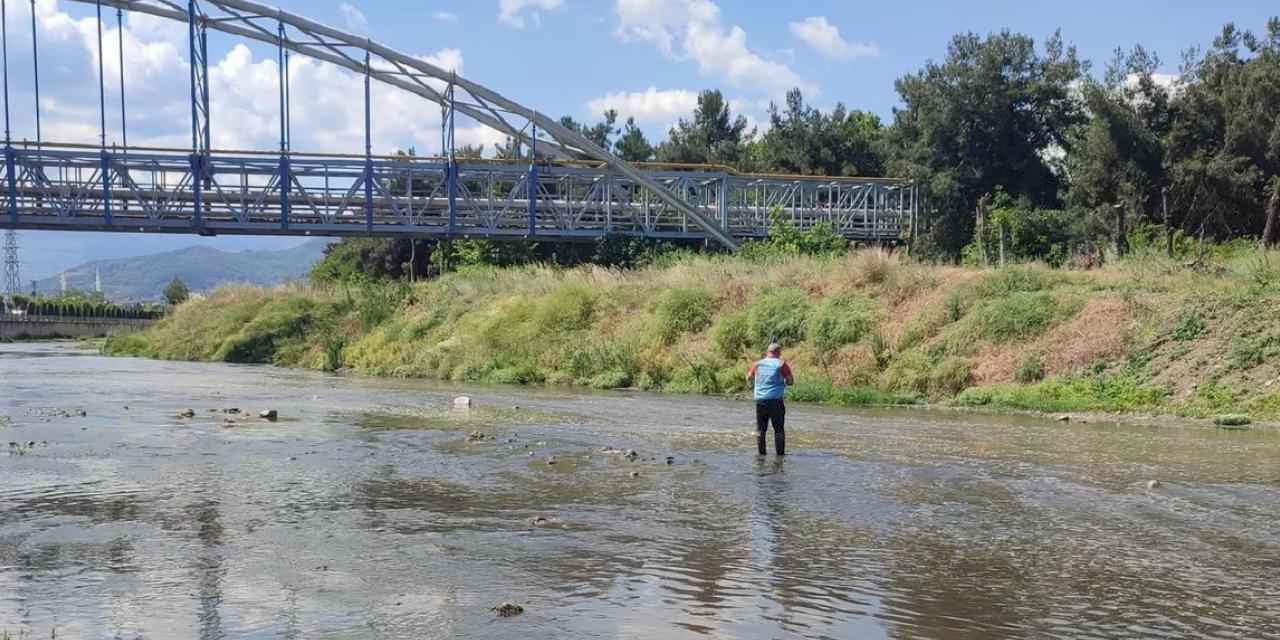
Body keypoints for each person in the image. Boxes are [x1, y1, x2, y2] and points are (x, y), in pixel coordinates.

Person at [746, 343, 794, 456]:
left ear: (767, 352)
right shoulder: (781, 364)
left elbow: (748, 377)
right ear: (779, 352)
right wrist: (784, 382)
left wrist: (755, 382)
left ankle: (761, 455)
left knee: (760, 430)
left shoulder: (757, 364)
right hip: (775, 401)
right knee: (778, 430)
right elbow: (790, 381)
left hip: (760, 401)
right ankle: (780, 456)